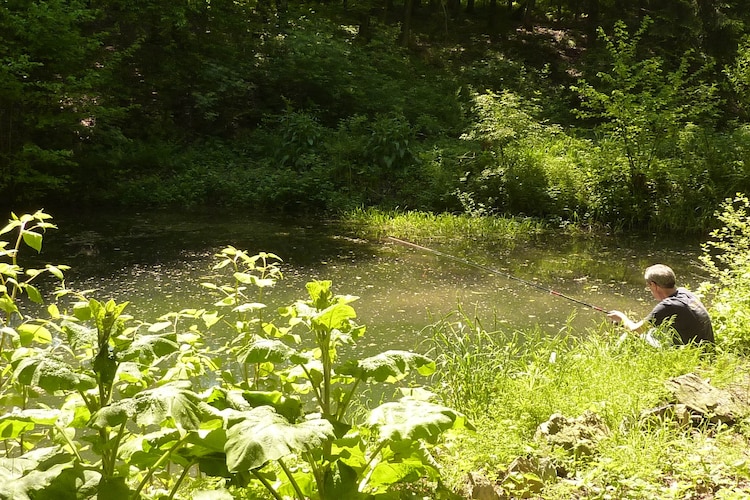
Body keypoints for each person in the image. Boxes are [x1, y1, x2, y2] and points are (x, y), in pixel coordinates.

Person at [607, 264, 714, 346]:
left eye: (648, 286)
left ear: (653, 285)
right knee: (653, 330)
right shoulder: (684, 293)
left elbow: (636, 330)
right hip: (705, 347)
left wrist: (622, 318)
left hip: (696, 353)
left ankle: (611, 359)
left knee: (630, 335)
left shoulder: (668, 306)